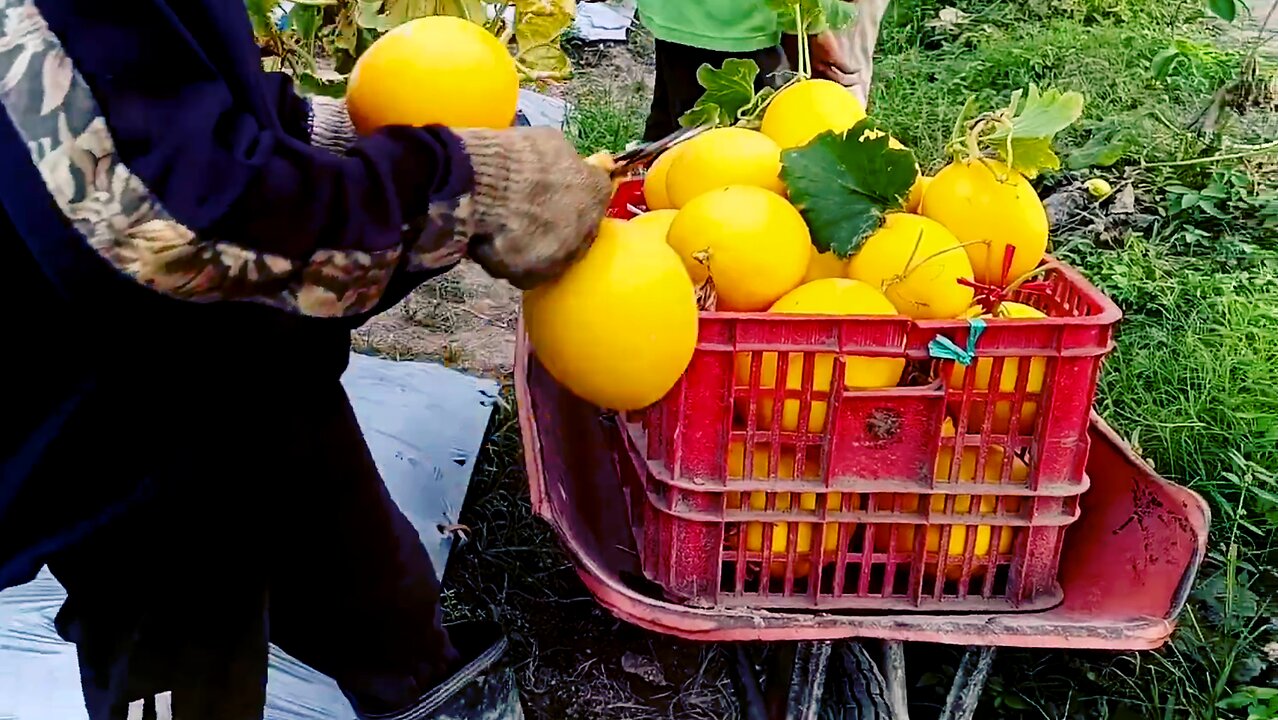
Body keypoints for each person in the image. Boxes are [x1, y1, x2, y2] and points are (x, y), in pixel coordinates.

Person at [0, 1, 611, 719]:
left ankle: (424, 684)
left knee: (377, 596)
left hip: (244, 370)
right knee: (182, 618)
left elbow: (151, 72)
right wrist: (459, 189)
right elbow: (172, 236)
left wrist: (302, 134)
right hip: (112, 412)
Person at [636, 0, 890, 142]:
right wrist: (805, 25)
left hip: (680, 12)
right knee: (727, 163)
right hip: (740, 23)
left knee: (667, 148)